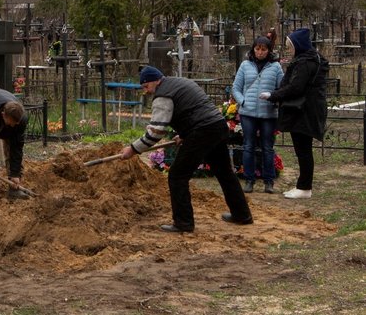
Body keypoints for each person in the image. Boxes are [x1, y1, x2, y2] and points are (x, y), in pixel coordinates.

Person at [120, 66, 252, 233]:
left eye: (146, 87)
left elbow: (156, 132)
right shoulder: (181, 82)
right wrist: (184, 134)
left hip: (203, 131)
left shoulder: (163, 95)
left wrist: (133, 149)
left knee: (177, 176)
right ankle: (242, 215)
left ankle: (183, 223)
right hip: (217, 126)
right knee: (225, 172)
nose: (146, 91)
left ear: (155, 81)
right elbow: (194, 109)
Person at [261, 28, 328, 199]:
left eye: (291, 46)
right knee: (302, 150)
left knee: (303, 150)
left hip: (303, 111)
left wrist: (273, 95)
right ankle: (303, 185)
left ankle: (304, 187)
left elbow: (296, 87)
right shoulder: (309, 59)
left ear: (298, 45)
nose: (290, 50)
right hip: (306, 110)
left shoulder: (305, 62)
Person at [232, 35, 284, 194]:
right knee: (248, 146)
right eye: (257, 49)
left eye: (264, 49)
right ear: (253, 49)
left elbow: (281, 89)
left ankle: (269, 181)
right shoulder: (245, 65)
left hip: (268, 114)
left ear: (269, 51)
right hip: (248, 113)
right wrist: (243, 101)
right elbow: (236, 88)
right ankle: (249, 180)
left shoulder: (275, 67)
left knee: (267, 147)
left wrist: (273, 98)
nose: (260, 52)